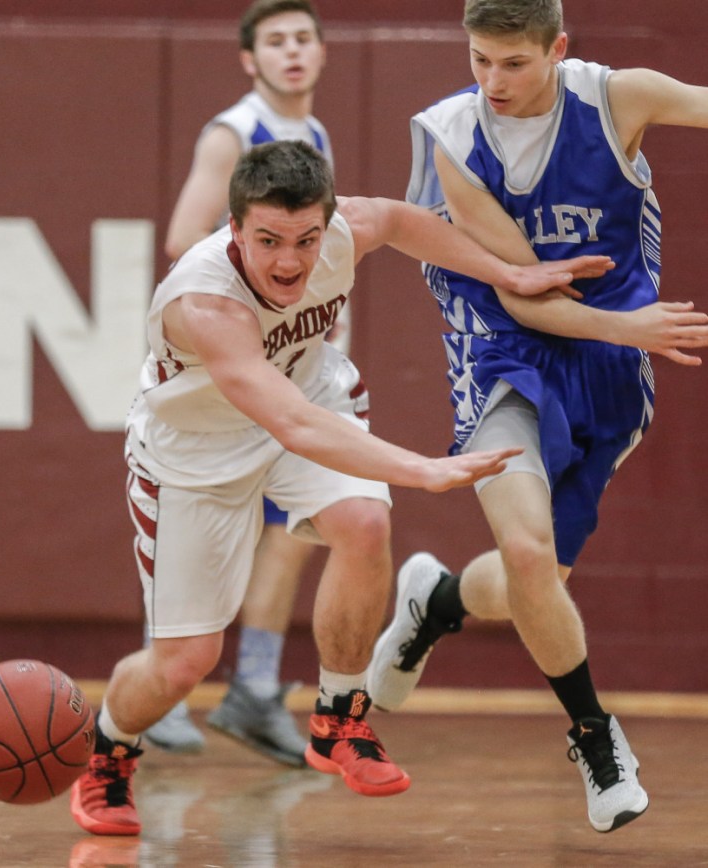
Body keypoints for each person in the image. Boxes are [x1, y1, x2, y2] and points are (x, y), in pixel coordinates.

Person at [69, 139, 613, 836]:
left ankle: (339, 717)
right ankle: (111, 751)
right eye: (267, 241)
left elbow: (402, 222)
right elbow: (290, 425)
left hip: (308, 395)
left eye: (305, 239)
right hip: (198, 453)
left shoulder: (343, 230)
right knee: (185, 662)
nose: (290, 262)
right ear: (234, 229)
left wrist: (511, 272)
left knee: (362, 523)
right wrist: (421, 468)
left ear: (327, 225)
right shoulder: (205, 304)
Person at [367, 0, 708, 836]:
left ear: (557, 48)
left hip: (609, 372)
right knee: (525, 550)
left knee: (537, 581)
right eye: (480, 59)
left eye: (513, 63)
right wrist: (630, 325)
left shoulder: (618, 99)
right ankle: (596, 737)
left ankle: (437, 602)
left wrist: (625, 335)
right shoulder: (454, 136)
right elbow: (532, 297)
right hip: (503, 354)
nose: (493, 81)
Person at [145, 0, 333, 764]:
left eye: (304, 38)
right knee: (202, 526)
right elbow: (182, 237)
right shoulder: (234, 132)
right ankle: (162, 691)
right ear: (251, 60)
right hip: (229, 362)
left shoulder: (313, 136)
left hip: (299, 356)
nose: (293, 52)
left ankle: (255, 687)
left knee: (298, 527)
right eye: (276, 42)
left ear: (322, 53)